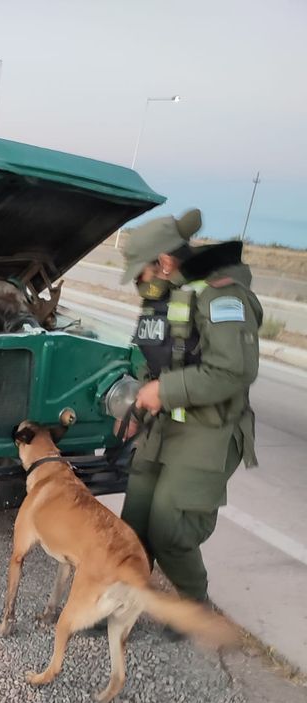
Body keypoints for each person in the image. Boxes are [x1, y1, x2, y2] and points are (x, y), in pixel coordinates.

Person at [118, 209, 262, 608]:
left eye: (140, 273)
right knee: (132, 527)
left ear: (164, 263)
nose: (137, 283)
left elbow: (234, 370)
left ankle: (195, 608)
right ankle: (118, 603)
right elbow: (157, 359)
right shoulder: (163, 297)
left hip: (209, 431)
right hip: (162, 427)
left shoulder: (223, 295)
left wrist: (163, 392)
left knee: (171, 531)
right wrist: (138, 409)